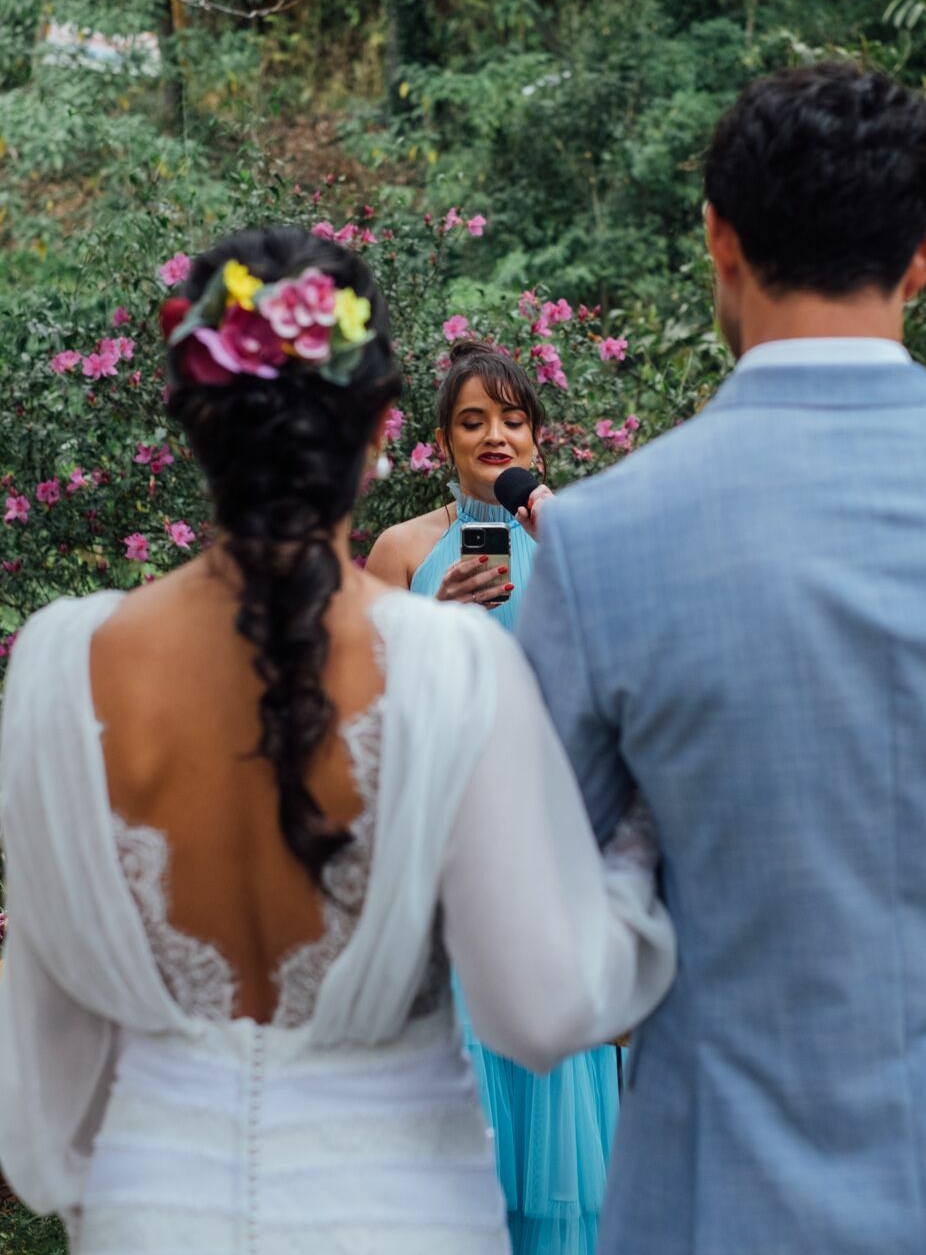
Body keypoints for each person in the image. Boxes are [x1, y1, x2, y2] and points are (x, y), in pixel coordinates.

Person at [0, 227, 676, 1254]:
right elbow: (541, 1010)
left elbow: (43, 1092)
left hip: (154, 1215)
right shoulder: (453, 662)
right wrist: (633, 841)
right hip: (401, 1215)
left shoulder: (59, 666)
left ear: (193, 425)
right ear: (382, 433)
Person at [519, 63, 926, 1255]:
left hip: (723, 1202)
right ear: (923, 255)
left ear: (717, 236)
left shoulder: (601, 538)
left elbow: (537, 915)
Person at [368, 341, 623, 1255]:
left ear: (539, 441)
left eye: (512, 418)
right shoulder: (401, 549)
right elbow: (360, 709)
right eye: (472, 420)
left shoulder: (578, 536)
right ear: (442, 441)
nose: (494, 434)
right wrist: (431, 619)